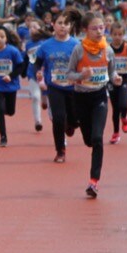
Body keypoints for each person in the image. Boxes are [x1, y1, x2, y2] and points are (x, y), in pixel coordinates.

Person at [66, 11, 122, 198]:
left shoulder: (108, 50)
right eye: (94, 28)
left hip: (99, 97)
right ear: (85, 30)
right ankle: (72, 123)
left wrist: (116, 79)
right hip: (81, 98)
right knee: (89, 140)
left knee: (97, 139)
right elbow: (69, 74)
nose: (99, 31)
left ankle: (94, 182)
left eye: (102, 28)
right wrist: (81, 76)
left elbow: (112, 73)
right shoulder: (78, 50)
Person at [33, 9, 82, 163]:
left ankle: (71, 124)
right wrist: (38, 73)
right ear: (53, 25)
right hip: (54, 87)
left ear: (71, 26)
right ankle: (60, 150)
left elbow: (83, 63)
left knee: (75, 121)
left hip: (73, 87)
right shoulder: (46, 46)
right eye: (59, 23)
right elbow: (37, 64)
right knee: (58, 118)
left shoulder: (77, 45)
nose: (63, 26)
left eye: (66, 24)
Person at [0, 25, 26, 147]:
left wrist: (11, 76)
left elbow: (20, 66)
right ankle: (3, 136)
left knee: (10, 111)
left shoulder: (13, 51)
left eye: (2, 37)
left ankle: (7, 111)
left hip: (11, 85)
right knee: (0, 109)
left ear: (6, 39)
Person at [107, 21, 127, 145]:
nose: (117, 37)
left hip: (124, 79)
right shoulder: (107, 49)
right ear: (111, 35)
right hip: (111, 80)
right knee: (115, 108)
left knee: (123, 104)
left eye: (120, 34)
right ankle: (116, 133)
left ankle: (125, 118)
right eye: (115, 34)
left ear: (123, 35)